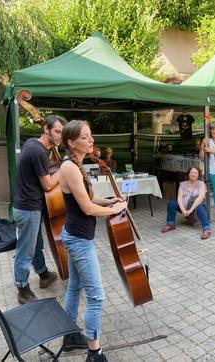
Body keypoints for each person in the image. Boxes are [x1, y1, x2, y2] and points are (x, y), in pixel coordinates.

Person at [58, 120, 129, 361]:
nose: (92, 141)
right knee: (96, 296)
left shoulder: (77, 164)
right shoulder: (69, 167)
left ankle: (68, 338)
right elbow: (87, 209)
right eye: (85, 137)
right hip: (79, 240)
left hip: (78, 235)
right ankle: (94, 351)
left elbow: (88, 198)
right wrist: (116, 211)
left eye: (91, 136)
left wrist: (110, 202)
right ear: (71, 142)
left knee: (75, 287)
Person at [12, 115, 65, 304]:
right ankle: (23, 290)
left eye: (62, 132)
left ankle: (43, 274)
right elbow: (49, 185)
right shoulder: (39, 153)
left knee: (34, 244)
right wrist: (65, 167)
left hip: (25, 205)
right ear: (46, 129)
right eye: (57, 131)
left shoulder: (31, 143)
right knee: (25, 250)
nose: (60, 136)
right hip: (28, 208)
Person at [161, 166, 212, 239]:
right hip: (184, 208)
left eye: (195, 173)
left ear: (198, 175)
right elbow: (179, 198)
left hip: (195, 208)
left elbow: (200, 198)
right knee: (171, 203)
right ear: (188, 174)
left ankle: (207, 229)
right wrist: (183, 210)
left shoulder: (201, 184)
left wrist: (190, 209)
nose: (193, 174)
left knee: (199, 206)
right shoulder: (182, 184)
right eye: (192, 172)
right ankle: (170, 225)